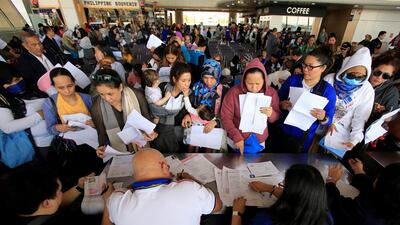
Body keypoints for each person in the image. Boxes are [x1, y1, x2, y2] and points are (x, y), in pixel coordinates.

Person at [102, 148, 222, 225]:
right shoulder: (189, 188)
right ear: (164, 166)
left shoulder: (116, 200)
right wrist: (193, 181)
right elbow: (217, 206)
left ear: (134, 175)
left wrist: (108, 198)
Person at [42, 67, 103, 177]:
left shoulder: (87, 99)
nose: (67, 91)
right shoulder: (50, 103)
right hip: (71, 148)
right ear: (54, 87)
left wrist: (95, 123)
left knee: (99, 171)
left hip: (94, 144)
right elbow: (50, 129)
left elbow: (101, 121)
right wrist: (58, 128)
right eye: (61, 88)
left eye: (70, 86)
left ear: (74, 82)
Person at [277, 47, 337, 152]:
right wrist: (281, 104)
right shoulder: (293, 80)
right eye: (304, 65)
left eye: (311, 67)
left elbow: (329, 119)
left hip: (302, 139)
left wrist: (323, 117)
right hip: (282, 131)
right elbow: (277, 99)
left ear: (323, 68)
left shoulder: (328, 91)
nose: (305, 69)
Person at [232, 164, 332, 225]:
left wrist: (237, 213)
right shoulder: (327, 217)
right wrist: (271, 189)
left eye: (283, 186)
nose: (280, 187)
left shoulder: (267, 221)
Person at [0, 164, 97, 225]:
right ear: (46, 203)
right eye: (59, 190)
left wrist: (79, 187)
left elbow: (58, 202)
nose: (62, 192)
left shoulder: (19, 202)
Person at [91, 69, 157, 155]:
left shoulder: (136, 96)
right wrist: (101, 147)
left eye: (110, 94)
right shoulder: (97, 107)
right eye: (101, 94)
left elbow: (147, 120)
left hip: (141, 148)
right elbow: (101, 133)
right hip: (119, 152)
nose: (106, 99)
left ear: (121, 87)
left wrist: (151, 133)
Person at [221, 59, 281, 154]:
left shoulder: (271, 93)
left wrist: (271, 114)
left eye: (258, 84)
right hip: (237, 140)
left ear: (264, 80)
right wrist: (236, 135)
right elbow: (226, 117)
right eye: (250, 83)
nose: (254, 88)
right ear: (244, 80)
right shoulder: (233, 93)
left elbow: (276, 116)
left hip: (259, 141)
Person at [0, 62, 52, 165]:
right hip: (41, 145)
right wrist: (39, 115)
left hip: (59, 132)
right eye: (9, 83)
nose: (15, 84)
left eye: (17, 79)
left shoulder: (31, 86)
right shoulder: (3, 101)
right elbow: (7, 127)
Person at [323, 47, 374, 151]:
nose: (355, 79)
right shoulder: (329, 80)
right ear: (345, 70)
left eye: (360, 77)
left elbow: (360, 118)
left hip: (340, 134)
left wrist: (354, 139)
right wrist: (328, 121)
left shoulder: (367, 90)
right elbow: (318, 104)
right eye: (351, 75)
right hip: (320, 126)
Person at [327, 160, 400, 225]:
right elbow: (370, 190)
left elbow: (334, 204)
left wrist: (331, 180)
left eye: (379, 176)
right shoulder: (391, 206)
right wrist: (359, 171)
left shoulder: (364, 214)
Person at [182, 59, 228, 133]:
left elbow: (228, 114)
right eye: (205, 77)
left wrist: (216, 122)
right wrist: (188, 115)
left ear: (218, 76)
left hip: (215, 132)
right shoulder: (196, 87)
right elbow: (189, 104)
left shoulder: (224, 92)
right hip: (195, 129)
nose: (208, 81)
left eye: (212, 78)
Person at [366, 50, 400, 126]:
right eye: (377, 73)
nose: (379, 77)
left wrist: (385, 117)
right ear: (372, 69)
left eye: (386, 76)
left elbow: (393, 114)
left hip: (369, 127)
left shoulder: (391, 92)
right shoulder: (360, 81)